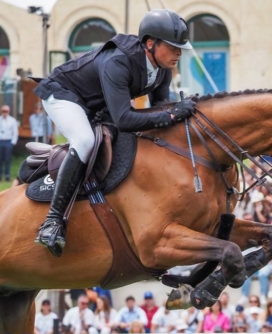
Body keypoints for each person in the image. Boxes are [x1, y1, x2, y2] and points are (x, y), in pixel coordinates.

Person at [33, 9, 196, 257]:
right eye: (173, 47)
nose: (178, 53)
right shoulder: (118, 62)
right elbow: (124, 119)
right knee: (85, 141)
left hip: (99, 105)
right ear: (150, 43)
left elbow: (159, 108)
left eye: (180, 48)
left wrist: (178, 113)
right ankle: (52, 222)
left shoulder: (162, 67)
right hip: (64, 95)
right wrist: (173, 115)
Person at [0, 105, 19, 182]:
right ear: (1, 111)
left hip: (8, 141)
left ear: (9, 112)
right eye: (3, 111)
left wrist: (13, 142)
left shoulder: (12, 120)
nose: (4, 113)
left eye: (6, 111)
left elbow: (15, 132)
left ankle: (7, 175)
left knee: (7, 159)